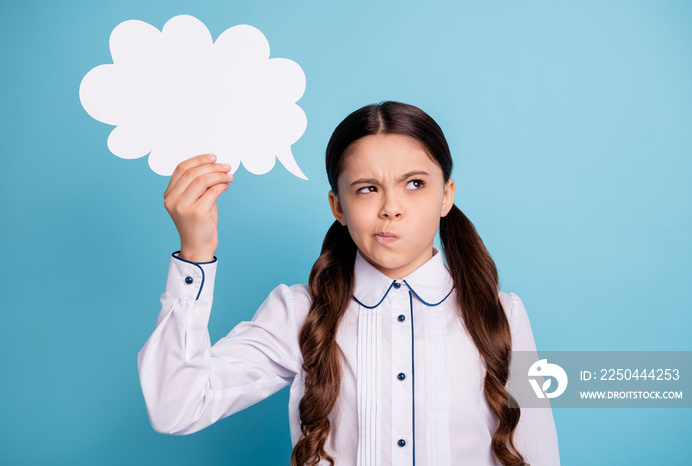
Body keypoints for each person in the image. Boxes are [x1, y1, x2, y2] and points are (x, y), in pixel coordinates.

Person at [138, 101, 560, 466]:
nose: (391, 208)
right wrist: (195, 253)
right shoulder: (300, 312)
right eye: (367, 189)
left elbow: (538, 453)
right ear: (337, 206)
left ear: (446, 195)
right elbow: (176, 407)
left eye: (415, 184)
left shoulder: (503, 314)